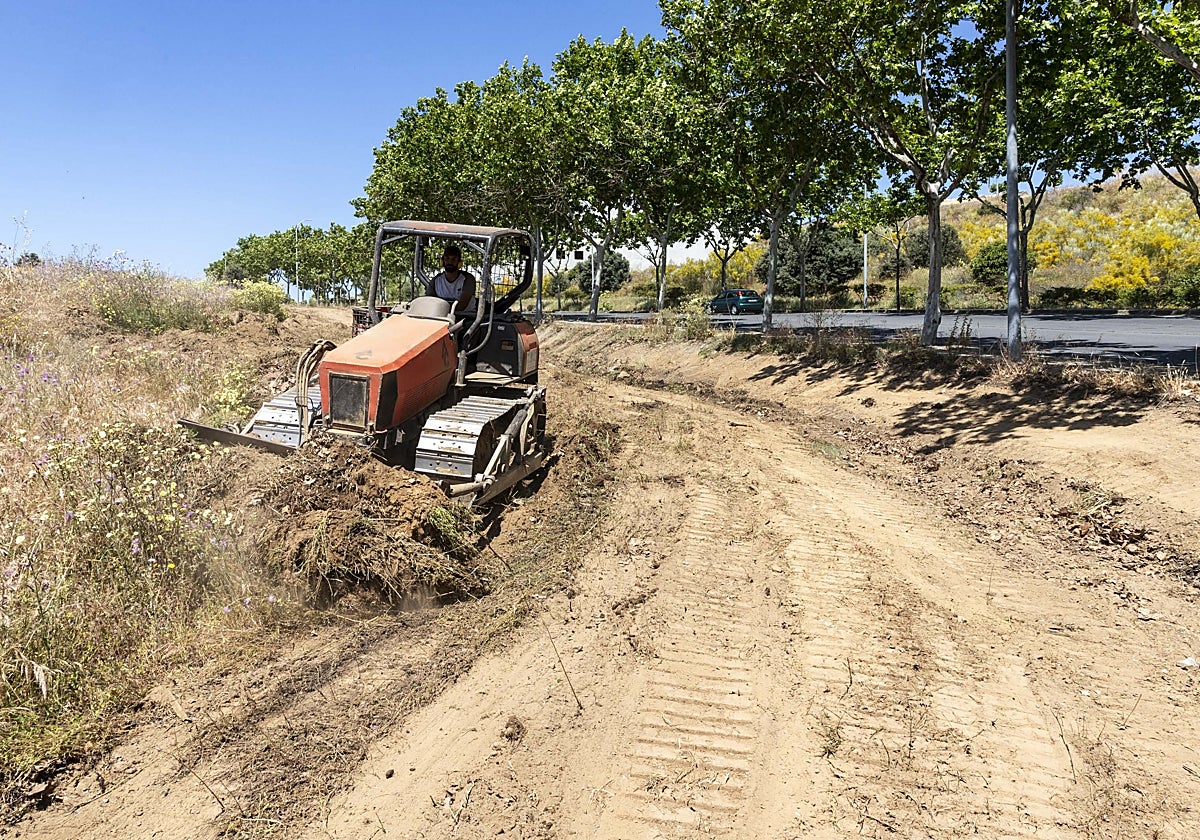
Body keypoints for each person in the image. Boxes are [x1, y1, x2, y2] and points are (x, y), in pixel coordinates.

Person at [426, 245, 477, 316]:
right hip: (441, 316)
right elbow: (429, 302)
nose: (450, 262)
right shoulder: (435, 281)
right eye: (447, 258)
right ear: (442, 261)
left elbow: (462, 305)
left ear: (459, 263)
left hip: (466, 317)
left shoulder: (468, 279)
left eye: (454, 259)